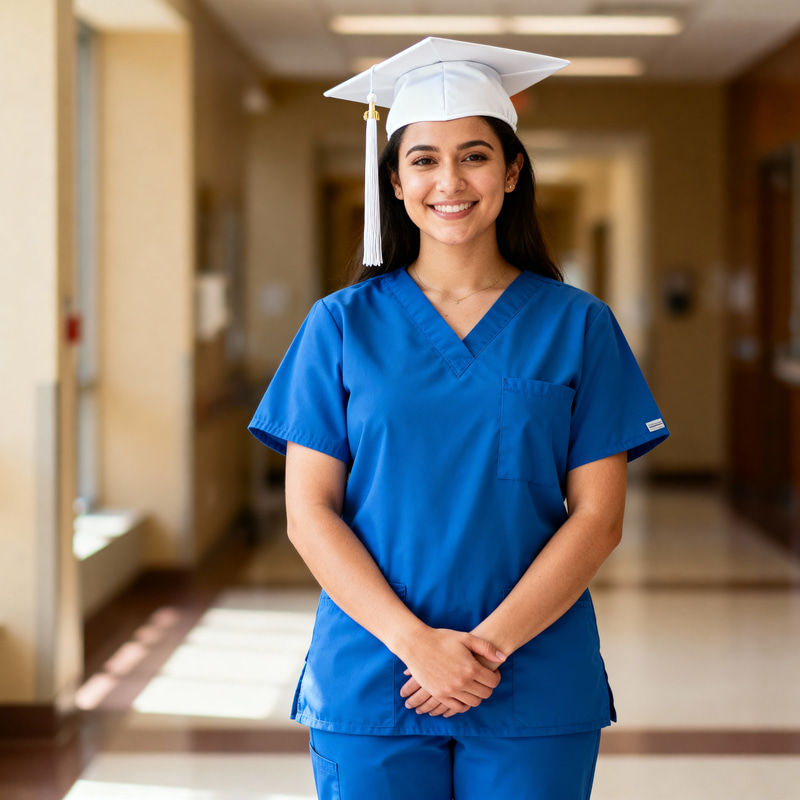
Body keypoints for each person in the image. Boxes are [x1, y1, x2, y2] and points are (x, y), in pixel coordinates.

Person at [249, 37, 669, 800]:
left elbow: (599, 518)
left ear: (511, 172)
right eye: (424, 160)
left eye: (475, 156)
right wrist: (418, 647)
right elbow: (309, 513)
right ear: (396, 181)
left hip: (533, 671)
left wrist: (484, 651)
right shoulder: (339, 326)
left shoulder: (578, 325)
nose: (450, 180)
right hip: (374, 671)